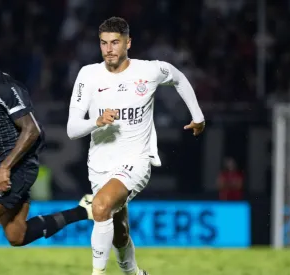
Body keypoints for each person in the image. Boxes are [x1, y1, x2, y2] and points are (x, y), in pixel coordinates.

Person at [66, 17, 205, 275]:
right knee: (120, 233)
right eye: (104, 43)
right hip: (99, 165)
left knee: (100, 206)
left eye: (115, 43)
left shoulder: (148, 71)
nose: (109, 49)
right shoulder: (88, 75)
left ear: (128, 43)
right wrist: (96, 122)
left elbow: (178, 77)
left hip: (136, 160)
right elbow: (72, 129)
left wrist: (198, 116)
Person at [0, 35, 93, 275]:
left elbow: (32, 130)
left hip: (19, 166)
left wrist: (6, 167)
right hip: (5, 165)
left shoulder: (5, 87)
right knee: (16, 235)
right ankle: (83, 211)